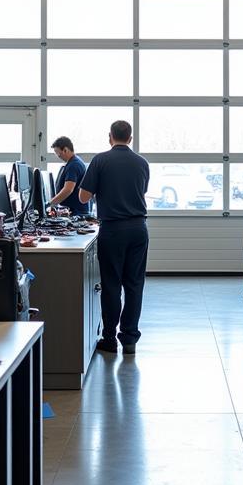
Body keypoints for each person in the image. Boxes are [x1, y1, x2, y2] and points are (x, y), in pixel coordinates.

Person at [79, 120, 150, 355]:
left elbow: (83, 197)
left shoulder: (100, 160)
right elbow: (141, 191)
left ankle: (109, 339)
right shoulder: (142, 163)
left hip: (112, 230)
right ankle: (129, 340)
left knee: (111, 285)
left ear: (110, 136)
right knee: (134, 285)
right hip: (139, 229)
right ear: (130, 138)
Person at [48, 136, 89, 215]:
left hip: (76, 212)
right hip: (74, 210)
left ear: (65, 150)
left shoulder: (74, 165)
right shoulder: (74, 162)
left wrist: (50, 203)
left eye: (59, 154)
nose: (58, 157)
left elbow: (68, 189)